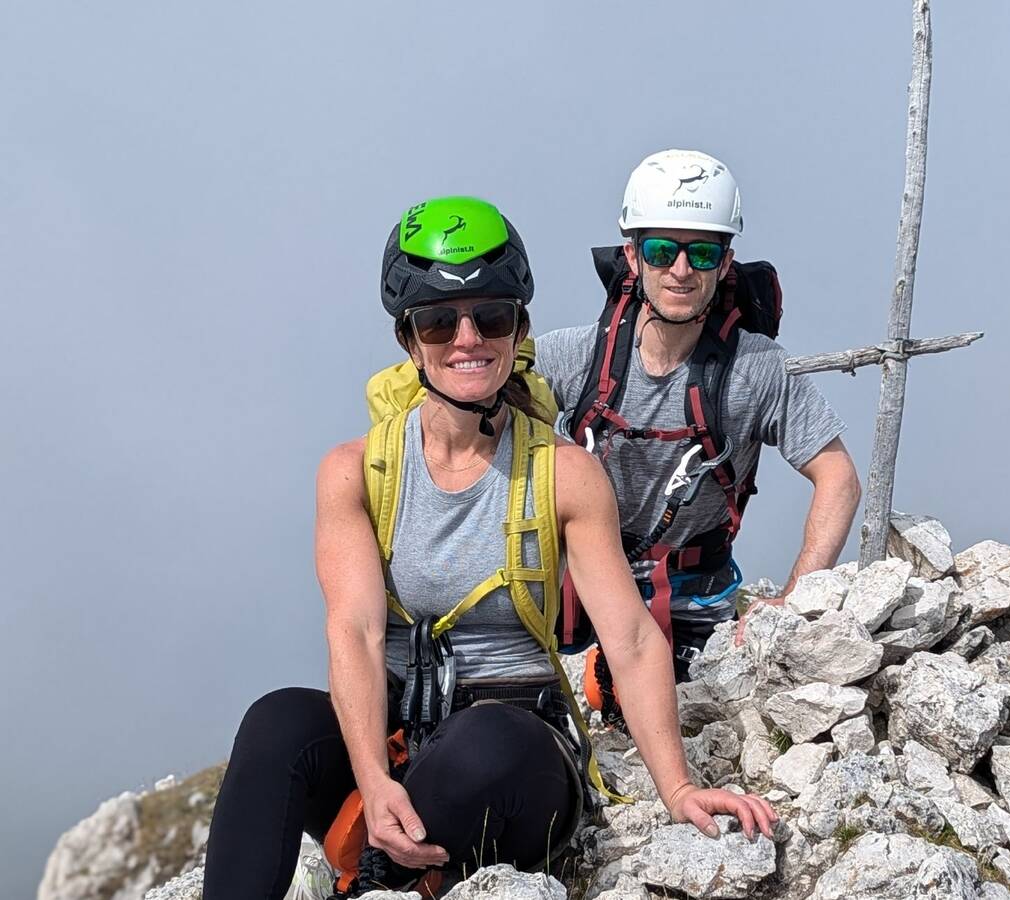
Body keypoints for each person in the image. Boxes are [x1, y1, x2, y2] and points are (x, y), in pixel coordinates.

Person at [202, 196, 775, 899]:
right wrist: (375, 780)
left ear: (519, 328)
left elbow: (628, 637)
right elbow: (353, 631)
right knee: (277, 723)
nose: (467, 338)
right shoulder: (354, 471)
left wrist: (680, 787)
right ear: (410, 342)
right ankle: (364, 845)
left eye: (491, 318)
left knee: (487, 746)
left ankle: (380, 883)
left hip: (518, 756)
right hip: (399, 746)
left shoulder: (564, 473)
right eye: (440, 322)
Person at [535, 149, 862, 698]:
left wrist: (795, 601)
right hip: (580, 590)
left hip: (696, 599)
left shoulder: (758, 367)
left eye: (702, 253)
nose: (681, 270)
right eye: (662, 250)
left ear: (726, 261)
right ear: (632, 257)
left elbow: (839, 479)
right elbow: (486, 432)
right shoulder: (572, 357)